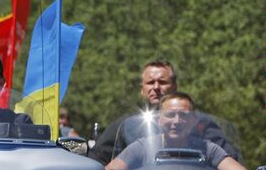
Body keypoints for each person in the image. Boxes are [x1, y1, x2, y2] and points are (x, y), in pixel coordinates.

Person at [89, 60, 240, 164]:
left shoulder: (200, 123)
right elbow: (97, 160)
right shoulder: (125, 126)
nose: (155, 87)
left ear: (174, 86)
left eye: (162, 82)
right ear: (142, 89)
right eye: (150, 82)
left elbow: (228, 159)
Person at [105, 92, 252, 170]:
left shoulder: (207, 149)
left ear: (194, 121)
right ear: (159, 120)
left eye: (184, 116)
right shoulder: (142, 147)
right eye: (170, 115)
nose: (176, 121)